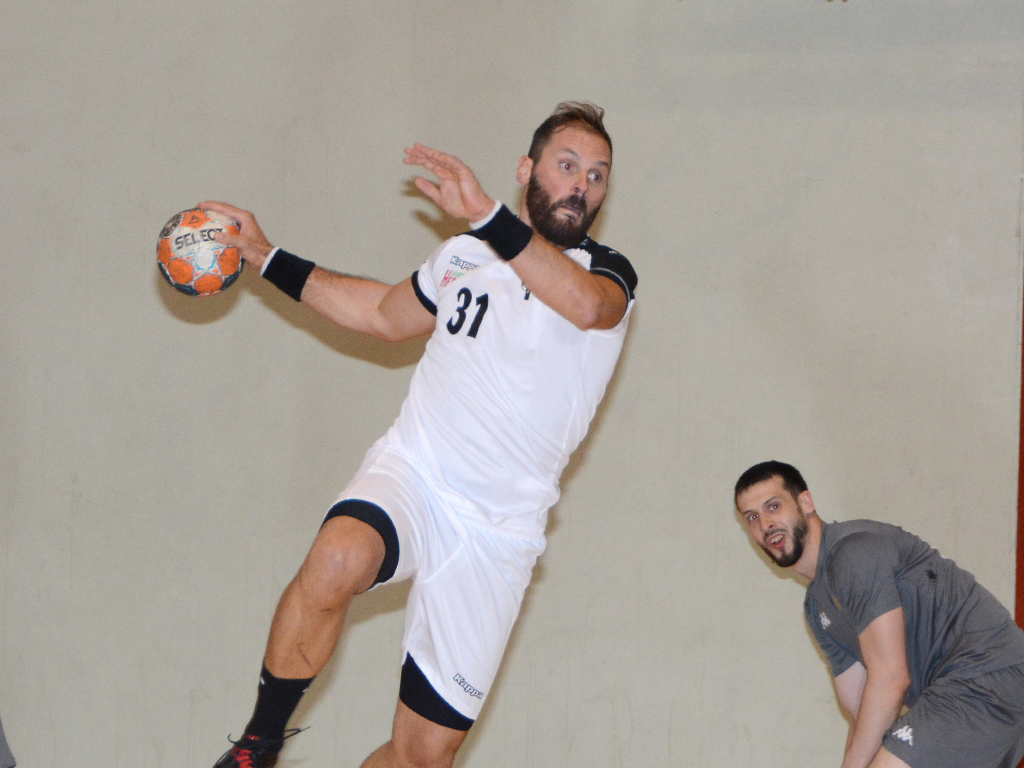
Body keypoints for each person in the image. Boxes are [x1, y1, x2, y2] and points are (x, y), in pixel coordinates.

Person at [201, 101, 637, 768]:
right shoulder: (463, 255)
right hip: (418, 474)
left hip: (499, 532)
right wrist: (264, 256)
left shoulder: (607, 274)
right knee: (339, 557)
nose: (581, 185)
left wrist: (489, 215)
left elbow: (585, 306)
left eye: (597, 175)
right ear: (528, 169)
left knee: (421, 758)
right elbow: (379, 313)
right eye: (567, 165)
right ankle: (258, 744)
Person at [734, 460, 1024, 768]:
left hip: (988, 676)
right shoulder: (817, 608)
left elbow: (890, 678)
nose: (765, 524)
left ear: (805, 502)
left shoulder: (854, 554)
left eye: (774, 506)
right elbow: (863, 713)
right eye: (752, 517)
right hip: (959, 696)